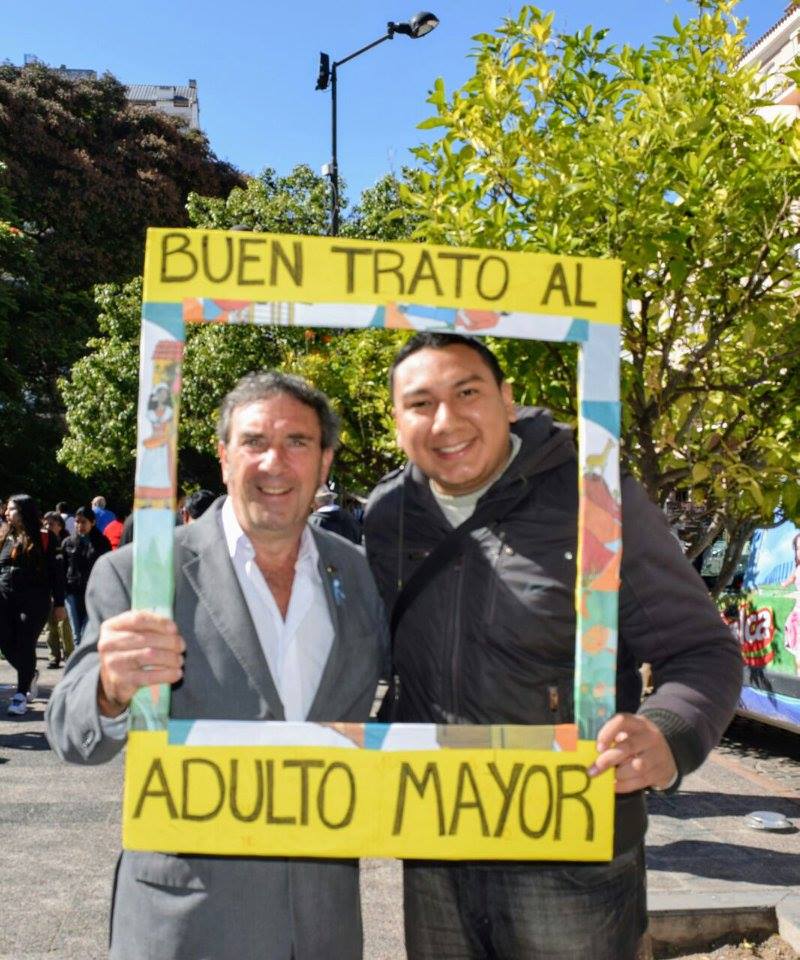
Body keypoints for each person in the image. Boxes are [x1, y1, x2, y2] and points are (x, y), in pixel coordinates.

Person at [364, 332, 742, 960]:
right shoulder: (387, 513)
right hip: (437, 845)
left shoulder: (595, 495)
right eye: (420, 403)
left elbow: (703, 650)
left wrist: (669, 733)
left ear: (508, 401)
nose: (446, 420)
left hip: (571, 850)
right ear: (398, 420)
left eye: (467, 393)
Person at [46, 371, 387, 960]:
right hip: (186, 929)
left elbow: (415, 715)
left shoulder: (359, 574)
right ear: (225, 456)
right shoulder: (140, 574)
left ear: (325, 461)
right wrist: (108, 689)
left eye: (298, 443)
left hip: (323, 928)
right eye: (254, 441)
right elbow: (71, 734)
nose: (274, 463)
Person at [1, 494, 66, 715]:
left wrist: (59, 603)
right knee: (5, 640)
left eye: (11, 509)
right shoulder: (4, 535)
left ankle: (20, 694)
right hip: (5, 597)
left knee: (26, 641)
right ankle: (28, 673)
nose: (6, 513)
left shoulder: (45, 537)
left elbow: (58, 573)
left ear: (23, 511)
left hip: (34, 600)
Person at [61, 505, 112, 646]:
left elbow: (107, 568)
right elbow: (62, 568)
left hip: (94, 592)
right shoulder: (68, 542)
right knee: (77, 634)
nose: (79, 525)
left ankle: (87, 664)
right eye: (77, 522)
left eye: (83, 522)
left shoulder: (102, 543)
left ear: (93, 522)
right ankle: (81, 665)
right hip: (72, 592)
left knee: (87, 632)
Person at [43, 511, 74, 667]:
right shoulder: (43, 542)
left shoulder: (66, 542)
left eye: (51, 524)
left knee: (64, 624)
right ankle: (53, 656)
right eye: (46, 523)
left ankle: (69, 655)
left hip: (63, 588)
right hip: (47, 588)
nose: (48, 526)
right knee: (50, 625)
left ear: (60, 526)